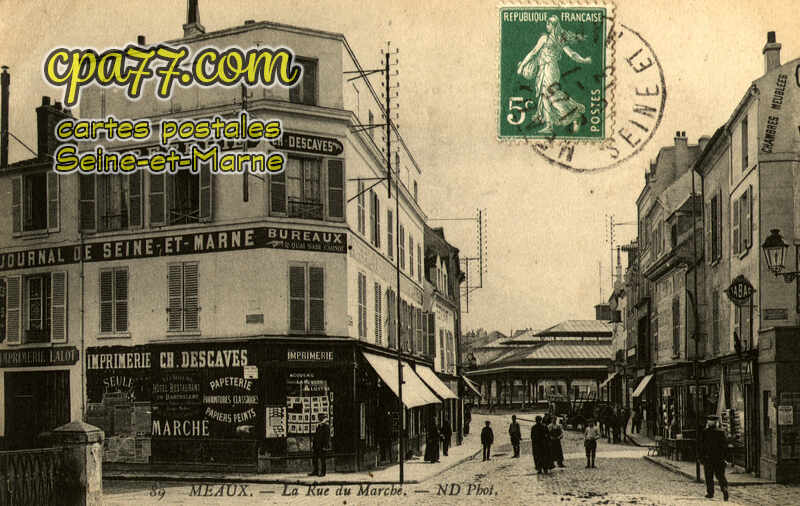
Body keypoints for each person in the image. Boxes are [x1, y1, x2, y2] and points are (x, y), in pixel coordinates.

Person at [515, 15, 592, 134]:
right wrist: (522, 65)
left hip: (550, 69)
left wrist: (583, 60)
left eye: (549, 23)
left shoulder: (553, 39)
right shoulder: (551, 39)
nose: (547, 25)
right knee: (545, 94)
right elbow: (534, 52)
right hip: (544, 69)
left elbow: (571, 53)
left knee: (550, 94)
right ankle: (549, 124)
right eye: (547, 23)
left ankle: (574, 113)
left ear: (554, 25)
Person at [700, 415, 729, 501]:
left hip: (708, 458)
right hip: (719, 459)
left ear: (708, 423)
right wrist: (725, 458)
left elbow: (701, 446)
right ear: (716, 423)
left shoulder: (705, 432)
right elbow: (725, 446)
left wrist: (701, 457)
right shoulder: (721, 432)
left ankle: (710, 493)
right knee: (720, 476)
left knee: (709, 476)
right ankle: (724, 489)